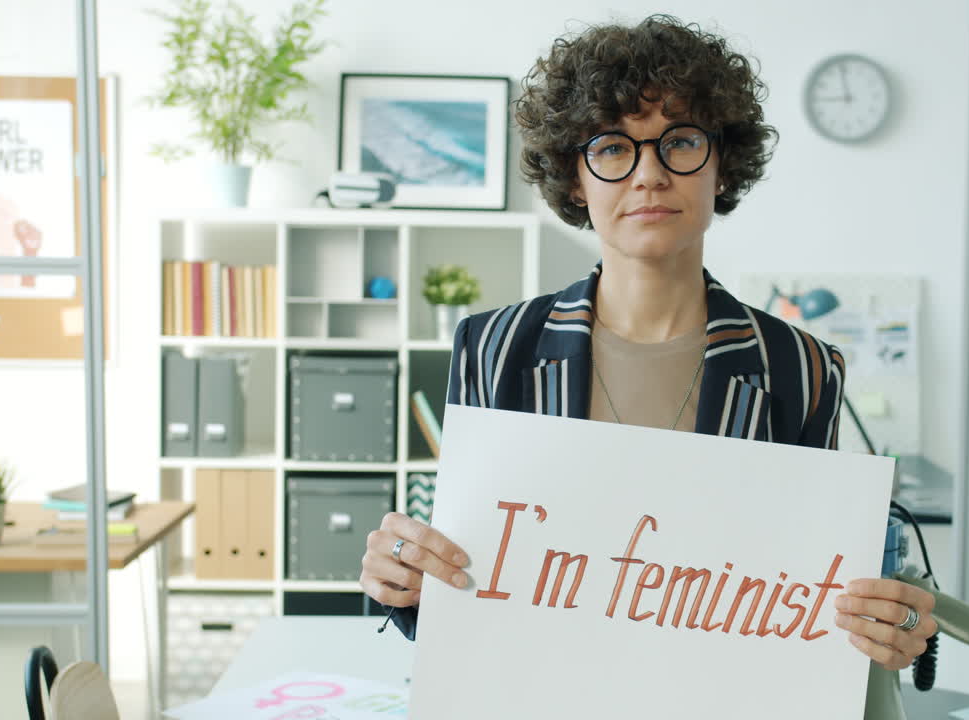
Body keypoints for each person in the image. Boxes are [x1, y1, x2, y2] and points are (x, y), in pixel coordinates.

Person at [360, 14, 936, 673]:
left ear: (722, 166)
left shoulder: (800, 368)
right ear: (574, 179)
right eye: (612, 147)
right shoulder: (494, 347)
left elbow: (811, 597)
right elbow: (464, 578)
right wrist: (404, 579)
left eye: (681, 141)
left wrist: (887, 627)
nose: (650, 175)